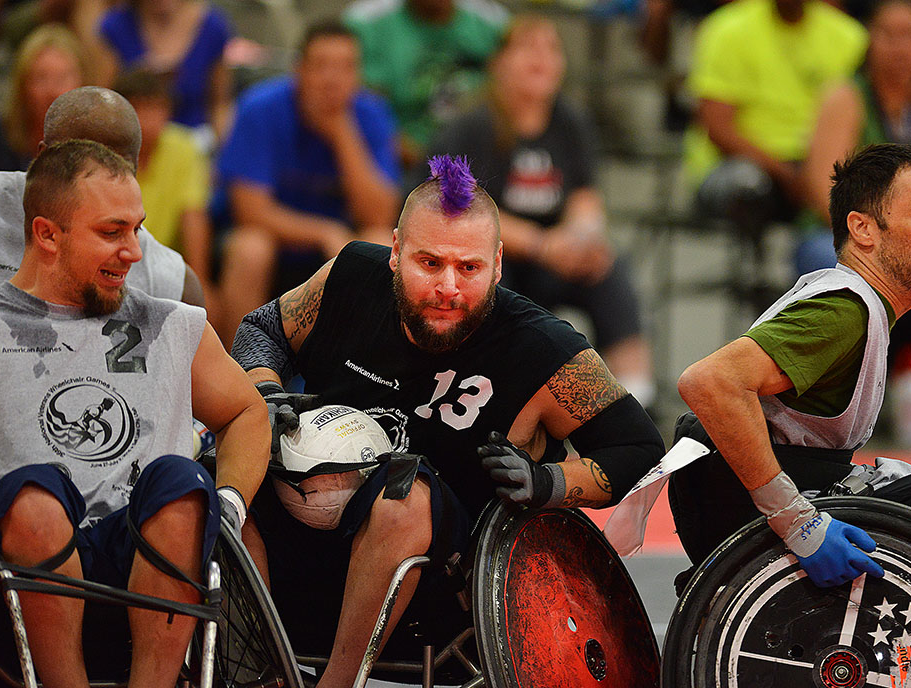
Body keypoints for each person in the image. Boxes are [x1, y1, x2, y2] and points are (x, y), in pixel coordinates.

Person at [229, 155, 664, 688]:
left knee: (402, 496)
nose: (448, 287)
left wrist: (547, 481)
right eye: (430, 263)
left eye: (469, 268)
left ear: (497, 264)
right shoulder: (350, 276)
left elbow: (638, 447)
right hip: (297, 549)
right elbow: (262, 328)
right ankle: (253, 671)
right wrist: (267, 394)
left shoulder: (544, 349)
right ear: (395, 251)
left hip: (439, 597)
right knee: (222, 464)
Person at [0, 139, 269, 687]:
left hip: (146, 569)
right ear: (47, 234)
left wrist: (228, 507)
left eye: (137, 229)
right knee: (35, 497)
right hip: (12, 578)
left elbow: (247, 414)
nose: (134, 252)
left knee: (181, 483)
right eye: (112, 232)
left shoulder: (171, 324)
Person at [672, 143, 911, 588]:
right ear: (863, 229)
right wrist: (795, 521)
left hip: (807, 493)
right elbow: (708, 382)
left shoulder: (858, 305)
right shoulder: (843, 310)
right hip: (770, 519)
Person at [429, 14, 655, 407]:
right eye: (528, 47)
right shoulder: (472, 126)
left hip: (553, 254)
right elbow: (463, 210)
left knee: (608, 268)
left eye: (551, 49)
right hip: (493, 258)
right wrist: (542, 245)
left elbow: (585, 194)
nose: (541, 58)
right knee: (493, 281)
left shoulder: (570, 121)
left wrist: (583, 239)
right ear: (499, 63)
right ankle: (505, 402)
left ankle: (635, 400)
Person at [803, 0, 911, 385]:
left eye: (910, 36)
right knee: (820, 258)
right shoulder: (844, 98)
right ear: (870, 40)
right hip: (859, 236)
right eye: (889, 35)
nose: (900, 47)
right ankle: (832, 399)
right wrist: (885, 243)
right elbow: (825, 189)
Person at [213, 21, 401, 345]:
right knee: (251, 248)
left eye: (345, 68)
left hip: (338, 247)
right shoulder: (260, 108)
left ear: (358, 75)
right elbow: (250, 211)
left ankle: (359, 369)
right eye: (321, 66)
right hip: (275, 241)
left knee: (380, 243)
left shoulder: (371, 115)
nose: (332, 79)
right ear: (298, 70)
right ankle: (241, 365)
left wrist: (342, 133)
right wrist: (323, 232)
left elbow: (380, 215)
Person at [0, 86, 206, 307]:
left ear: (136, 171)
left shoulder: (164, 276)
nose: (99, 183)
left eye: (116, 169)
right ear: (43, 158)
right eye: (81, 167)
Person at [683, 0, 866, 260]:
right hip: (740, 166)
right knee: (748, 185)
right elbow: (717, 128)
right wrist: (786, 174)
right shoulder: (727, 29)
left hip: (818, 166)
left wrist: (815, 176)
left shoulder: (849, 36)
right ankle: (752, 270)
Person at [344, 0, 509, 168]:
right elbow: (364, 109)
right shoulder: (368, 23)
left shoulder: (494, 23)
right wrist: (425, 164)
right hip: (398, 163)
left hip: (482, 159)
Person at [114, 68, 218, 315]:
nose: (147, 119)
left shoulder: (184, 147)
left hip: (167, 268)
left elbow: (193, 215)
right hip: (114, 263)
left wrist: (200, 281)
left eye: (156, 108)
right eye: (138, 108)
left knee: (208, 305)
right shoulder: (102, 151)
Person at [96, 0, 234, 146]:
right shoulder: (114, 27)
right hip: (131, 140)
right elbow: (103, 99)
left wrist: (223, 147)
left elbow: (221, 103)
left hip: (196, 140)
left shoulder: (214, 27)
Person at [0, 23, 89, 173]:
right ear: (23, 85)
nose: (52, 92)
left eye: (63, 78)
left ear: (83, 83)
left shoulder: (98, 144)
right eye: (41, 78)